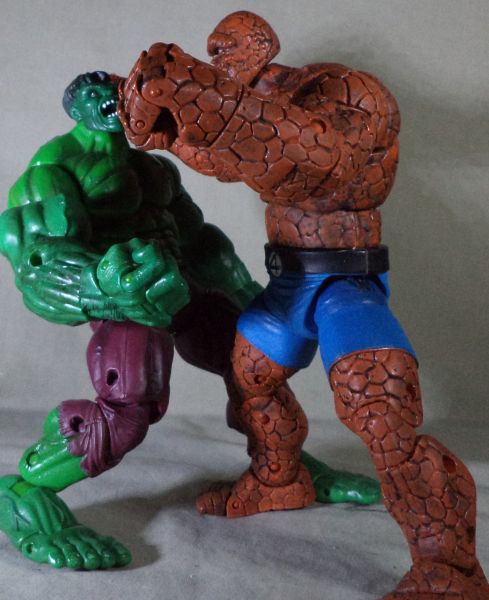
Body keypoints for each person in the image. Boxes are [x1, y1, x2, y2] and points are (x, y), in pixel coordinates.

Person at [119, 11, 489, 597]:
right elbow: (232, 157)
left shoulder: (346, 91)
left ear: (262, 43)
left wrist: (193, 91)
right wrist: (167, 124)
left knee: (379, 407)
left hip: (347, 281)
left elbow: (317, 160)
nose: (220, 56)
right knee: (250, 377)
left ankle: (449, 568)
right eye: (214, 51)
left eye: (228, 46)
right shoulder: (249, 104)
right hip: (290, 281)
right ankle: (278, 479)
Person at [0, 71, 378, 570]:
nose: (111, 100)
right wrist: (103, 285)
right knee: (127, 412)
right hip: (125, 301)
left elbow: (200, 241)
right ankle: (27, 494)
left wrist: (247, 298)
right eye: (95, 93)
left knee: (254, 368)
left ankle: (284, 467)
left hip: (183, 285)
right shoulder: (53, 170)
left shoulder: (154, 170)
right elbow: (37, 260)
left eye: (116, 89)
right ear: (76, 107)